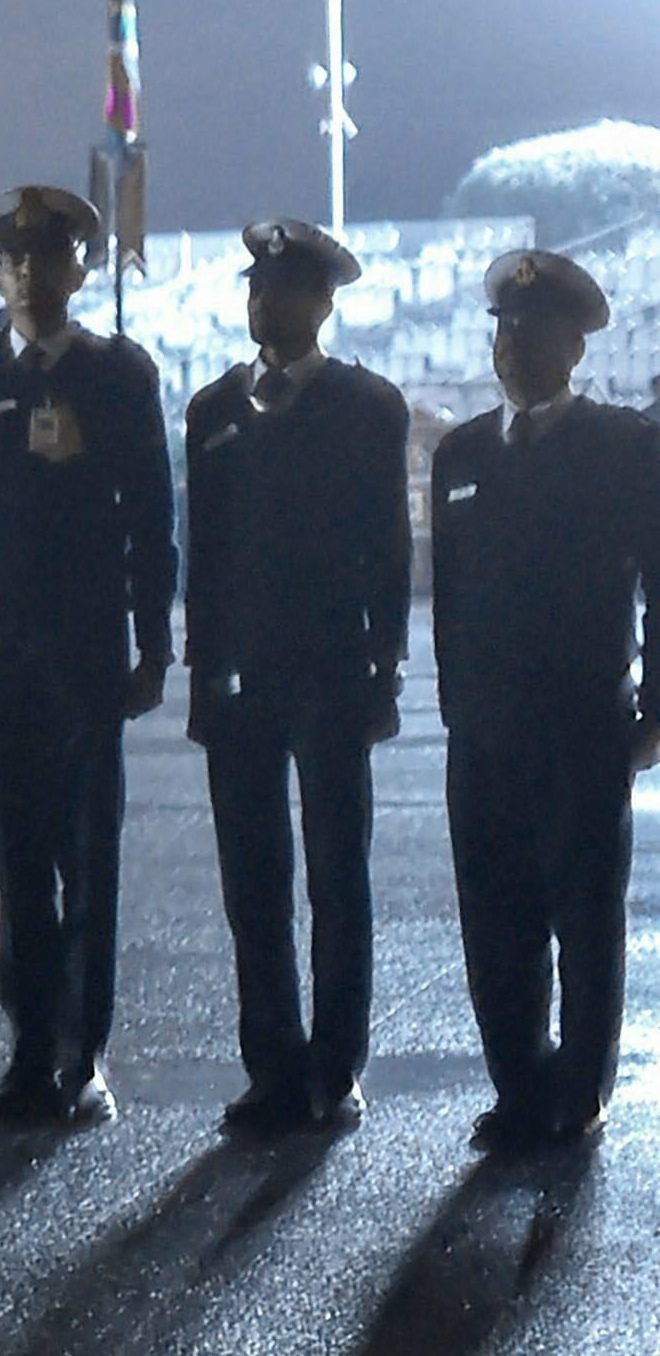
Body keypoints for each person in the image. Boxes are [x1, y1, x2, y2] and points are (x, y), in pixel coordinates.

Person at [0, 186, 174, 1127]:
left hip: (82, 646)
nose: (31, 273)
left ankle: (85, 1051)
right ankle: (31, 1046)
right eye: (15, 259)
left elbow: (153, 515)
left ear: (79, 269)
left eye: (49, 257)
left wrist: (153, 641)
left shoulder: (118, 376)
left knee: (86, 852)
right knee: (17, 858)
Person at [177, 220, 413, 1137]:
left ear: (322, 304)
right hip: (241, 672)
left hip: (329, 667)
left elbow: (389, 543)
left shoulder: (365, 404)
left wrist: (385, 659)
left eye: (281, 291)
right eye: (253, 289)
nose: (261, 304)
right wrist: (201, 670)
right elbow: (207, 553)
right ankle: (271, 1064)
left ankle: (336, 1065)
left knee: (336, 872)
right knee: (254, 878)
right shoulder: (214, 410)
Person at [427, 246, 660, 1156]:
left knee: (584, 911)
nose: (515, 349)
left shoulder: (626, 447)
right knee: (495, 915)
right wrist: (454, 701)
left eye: (534, 333)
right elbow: (447, 593)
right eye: (505, 333)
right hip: (484, 726)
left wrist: (656, 708)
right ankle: (518, 1084)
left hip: (581, 719)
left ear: (576, 343)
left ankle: (582, 1090)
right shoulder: (462, 453)